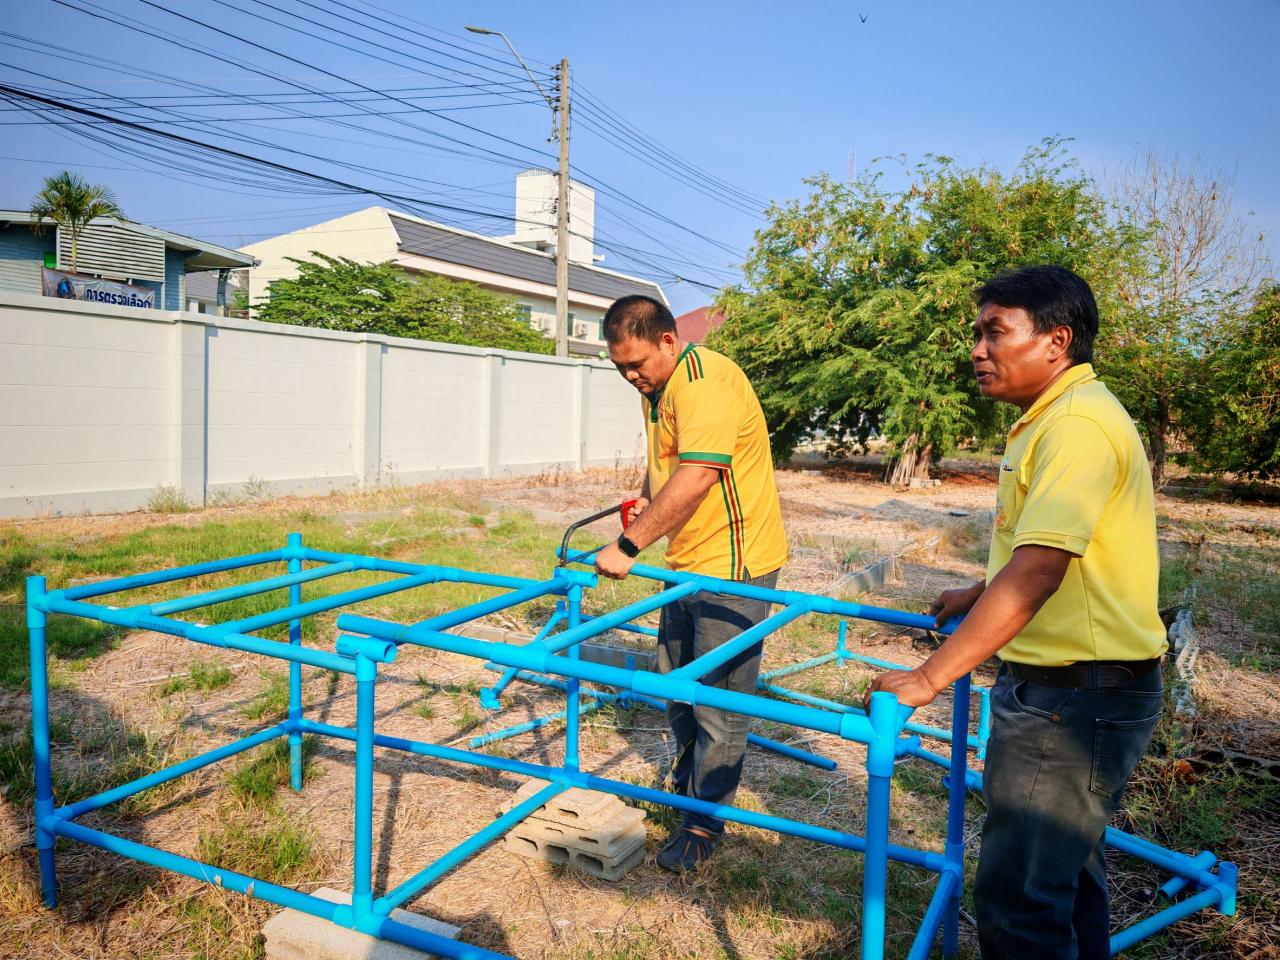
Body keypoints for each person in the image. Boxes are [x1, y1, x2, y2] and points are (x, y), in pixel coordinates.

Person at [868, 265, 1167, 959]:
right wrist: (980, 591)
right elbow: (1044, 547)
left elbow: (1038, 572)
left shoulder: (1079, 427)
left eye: (994, 332)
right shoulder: (1053, 420)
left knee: (1020, 903)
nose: (976, 349)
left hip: (1074, 702)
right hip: (1073, 690)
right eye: (978, 333)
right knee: (1065, 878)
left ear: (1056, 341)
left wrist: (928, 678)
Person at [593, 294, 788, 872]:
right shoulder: (659, 389)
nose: (631, 376)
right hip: (685, 561)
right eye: (619, 367)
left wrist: (628, 546)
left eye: (637, 364)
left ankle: (704, 822)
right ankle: (685, 788)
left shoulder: (704, 381)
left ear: (669, 343)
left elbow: (701, 472)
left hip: (734, 563)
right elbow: (672, 467)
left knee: (718, 704)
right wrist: (646, 504)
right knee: (675, 682)